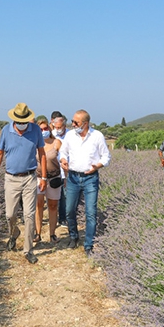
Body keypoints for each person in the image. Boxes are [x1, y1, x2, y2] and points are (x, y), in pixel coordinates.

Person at [0, 103, 47, 264]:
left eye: (25, 121)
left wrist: (44, 177)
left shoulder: (35, 130)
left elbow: (42, 153)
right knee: (10, 214)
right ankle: (14, 233)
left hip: (30, 177)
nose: (23, 124)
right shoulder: (5, 131)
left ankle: (28, 250)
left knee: (29, 215)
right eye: (20, 121)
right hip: (11, 178)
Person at [59, 109, 111, 256]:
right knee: (69, 210)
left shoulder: (97, 136)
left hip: (90, 178)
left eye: (76, 122)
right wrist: (63, 160)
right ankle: (74, 236)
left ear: (85, 123)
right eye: (73, 121)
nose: (73, 124)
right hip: (73, 178)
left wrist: (98, 166)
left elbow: (106, 156)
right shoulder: (70, 135)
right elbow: (63, 152)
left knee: (91, 213)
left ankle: (88, 244)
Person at [35, 119, 62, 244]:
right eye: (41, 129)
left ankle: (52, 234)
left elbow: (63, 159)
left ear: (50, 130)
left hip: (54, 178)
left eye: (46, 129)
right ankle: (37, 233)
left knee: (52, 206)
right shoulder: (34, 143)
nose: (43, 131)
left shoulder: (57, 143)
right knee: (38, 204)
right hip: (38, 177)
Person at [51, 111, 69, 227]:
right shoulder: (51, 135)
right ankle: (53, 216)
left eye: (60, 127)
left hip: (66, 170)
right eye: (56, 127)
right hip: (54, 170)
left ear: (64, 126)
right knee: (54, 197)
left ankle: (62, 218)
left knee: (64, 195)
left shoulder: (70, 135)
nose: (58, 129)